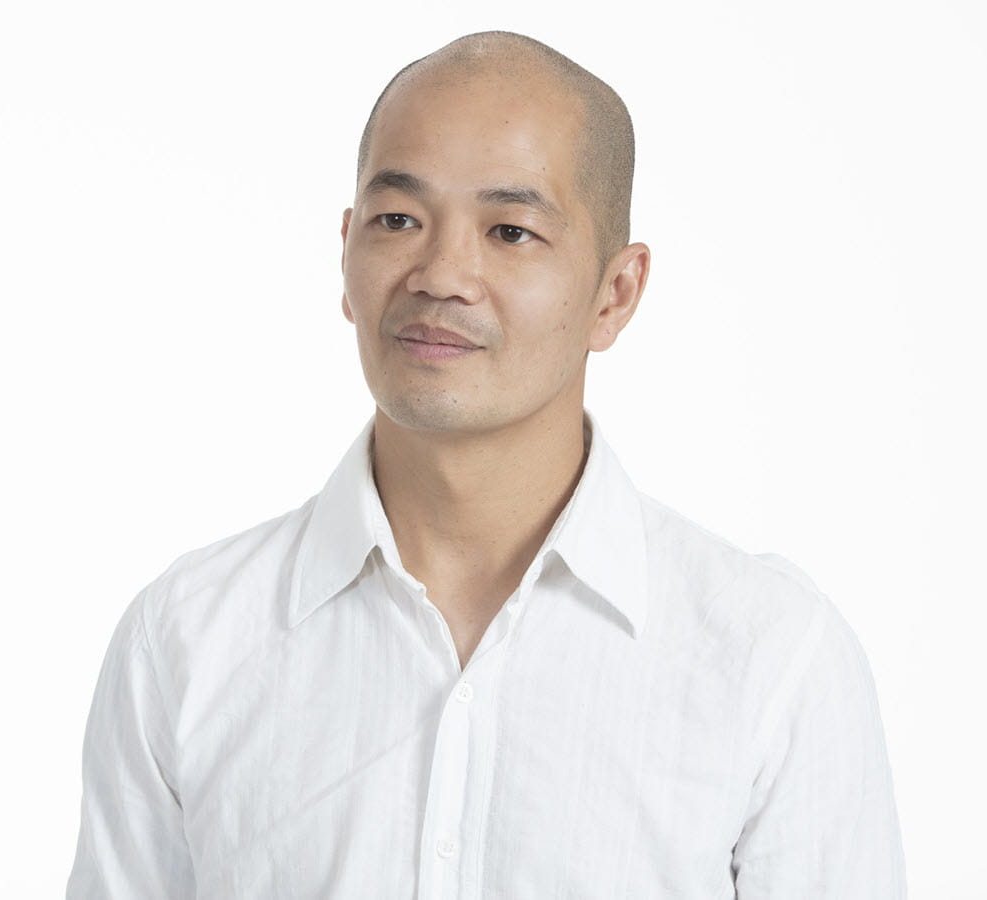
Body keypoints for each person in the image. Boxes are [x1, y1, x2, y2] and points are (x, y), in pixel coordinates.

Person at [66, 30, 906, 899]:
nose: (441, 276)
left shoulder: (770, 659)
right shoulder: (186, 641)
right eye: (399, 221)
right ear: (346, 251)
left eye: (510, 230)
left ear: (614, 294)